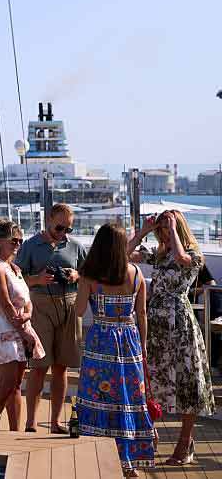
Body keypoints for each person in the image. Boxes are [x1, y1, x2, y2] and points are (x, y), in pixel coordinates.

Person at [129, 210, 214, 466]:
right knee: (152, 379)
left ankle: (185, 442)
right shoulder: (159, 255)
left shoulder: (194, 255)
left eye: (167, 228)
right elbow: (123, 255)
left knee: (187, 381)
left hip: (180, 324)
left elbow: (181, 258)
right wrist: (144, 231)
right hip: (156, 323)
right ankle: (149, 433)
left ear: (178, 228)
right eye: (162, 229)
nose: (164, 232)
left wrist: (174, 229)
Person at [75, 223, 155, 476]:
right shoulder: (136, 273)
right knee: (128, 397)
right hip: (130, 339)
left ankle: (95, 454)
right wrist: (143, 346)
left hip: (101, 340)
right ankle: (128, 461)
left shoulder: (90, 276)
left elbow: (78, 311)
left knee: (98, 396)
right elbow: (142, 314)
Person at [16, 202, 87, 433]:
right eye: (59, 227)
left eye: (68, 229)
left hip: (69, 305)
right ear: (48, 220)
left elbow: (89, 274)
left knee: (61, 367)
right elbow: (15, 278)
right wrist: (37, 279)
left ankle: (56, 422)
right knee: (39, 366)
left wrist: (76, 275)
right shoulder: (30, 246)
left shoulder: (76, 246)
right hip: (41, 306)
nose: (63, 233)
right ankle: (31, 422)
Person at [0, 221, 45, 431]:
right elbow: (6, 304)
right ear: (0, 241)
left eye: (20, 241)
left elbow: (26, 299)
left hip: (21, 326)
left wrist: (28, 315)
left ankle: (14, 431)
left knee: (16, 385)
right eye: (13, 240)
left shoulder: (14, 268)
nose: (18, 244)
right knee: (7, 384)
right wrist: (23, 331)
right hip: (5, 328)